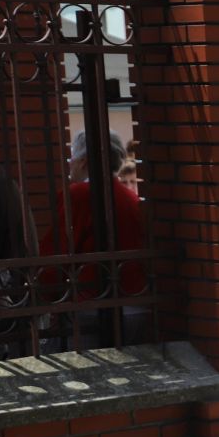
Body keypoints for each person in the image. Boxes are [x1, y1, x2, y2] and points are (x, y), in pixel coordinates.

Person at [40, 130, 147, 307]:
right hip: (134, 297)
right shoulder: (130, 197)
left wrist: (44, 295)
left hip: (91, 301)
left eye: (71, 159)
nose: (70, 165)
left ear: (83, 162)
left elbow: (57, 252)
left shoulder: (77, 195)